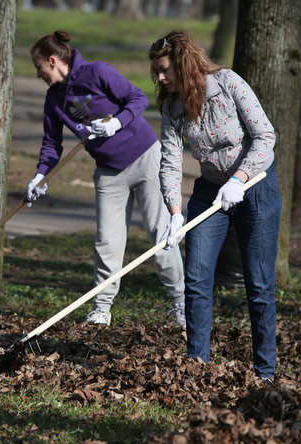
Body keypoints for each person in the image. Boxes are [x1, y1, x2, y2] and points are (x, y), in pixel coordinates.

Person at [27, 31, 186, 328]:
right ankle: (102, 309)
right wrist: (39, 175)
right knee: (107, 242)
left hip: (145, 158)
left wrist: (116, 122)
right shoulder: (54, 99)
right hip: (109, 172)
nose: (38, 74)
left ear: (52, 61)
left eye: (39, 67)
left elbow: (137, 98)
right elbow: (51, 144)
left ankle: (180, 304)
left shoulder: (97, 72)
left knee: (161, 234)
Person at [149, 31, 280, 384]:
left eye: (164, 70)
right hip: (210, 190)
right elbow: (170, 162)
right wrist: (175, 212)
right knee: (196, 276)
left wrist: (239, 178)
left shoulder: (228, 83)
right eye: (157, 72)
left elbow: (266, 136)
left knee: (259, 283)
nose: (160, 78)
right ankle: (197, 367)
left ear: (182, 63)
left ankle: (265, 374)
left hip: (255, 185)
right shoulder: (172, 107)